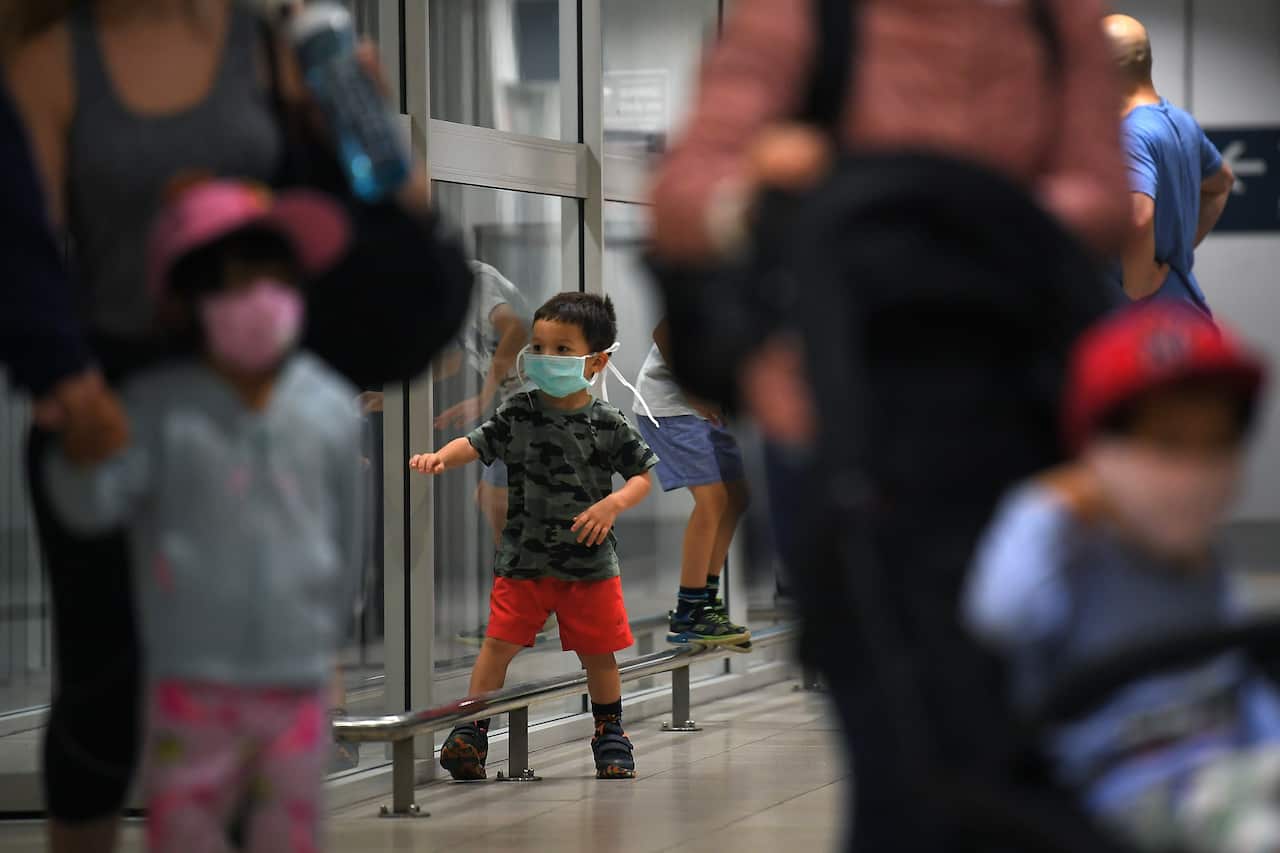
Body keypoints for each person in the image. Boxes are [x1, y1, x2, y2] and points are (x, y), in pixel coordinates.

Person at [649, 4, 1132, 851]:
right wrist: (771, 203)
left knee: (1020, 719)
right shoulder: (803, 16)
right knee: (894, 732)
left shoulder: (1058, 20)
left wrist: (946, 217)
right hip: (841, 411)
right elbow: (687, 194)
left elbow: (1100, 198)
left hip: (1015, 408)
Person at [6, 4, 464, 848]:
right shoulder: (53, 60)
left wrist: (366, 134)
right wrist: (62, 379)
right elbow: (18, 240)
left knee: (263, 684)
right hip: (112, 399)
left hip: (258, 386)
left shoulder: (269, 44)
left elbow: (372, 210)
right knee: (105, 687)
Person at [42, 180, 364, 853]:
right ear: (189, 301)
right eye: (235, 283)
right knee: (185, 828)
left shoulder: (329, 405)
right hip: (190, 679)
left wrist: (330, 627)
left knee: (289, 831)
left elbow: (346, 533)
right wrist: (73, 452)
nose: (258, 300)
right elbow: (95, 503)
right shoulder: (158, 408)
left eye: (274, 278)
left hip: (296, 678)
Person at [966, 303, 1274, 853]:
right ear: (1100, 452)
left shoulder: (1207, 564)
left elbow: (1239, 680)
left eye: (1215, 444)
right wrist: (1045, 509)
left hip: (1226, 767)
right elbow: (999, 617)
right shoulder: (1066, 554)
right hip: (1121, 789)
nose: (1191, 470)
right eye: (1168, 442)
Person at [409, 293, 657, 781]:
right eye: (540, 347)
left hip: (587, 565)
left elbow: (643, 476)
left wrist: (612, 505)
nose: (546, 358)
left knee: (598, 652)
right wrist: (441, 456)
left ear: (597, 360)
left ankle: (610, 732)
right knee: (497, 645)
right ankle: (471, 731)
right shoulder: (517, 412)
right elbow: (477, 442)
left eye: (563, 349)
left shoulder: (606, 422)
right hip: (522, 560)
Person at [1103, 14, 1236, 313]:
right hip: (1185, 310)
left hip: (1149, 327)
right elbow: (1221, 183)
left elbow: (1139, 218)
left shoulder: (1130, 133)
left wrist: (1141, 285)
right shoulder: (1181, 120)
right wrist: (1180, 253)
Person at [634, 319, 751, 648]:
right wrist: (693, 393)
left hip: (711, 408)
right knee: (712, 499)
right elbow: (663, 331)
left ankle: (705, 601)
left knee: (737, 496)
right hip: (672, 405)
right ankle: (689, 610)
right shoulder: (726, 274)